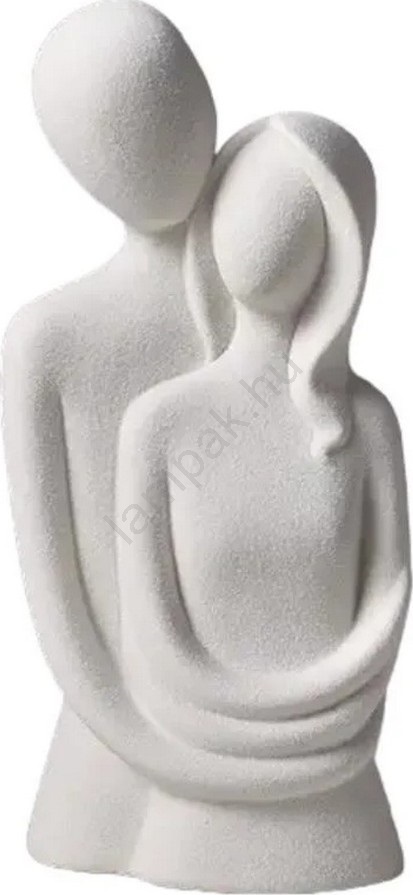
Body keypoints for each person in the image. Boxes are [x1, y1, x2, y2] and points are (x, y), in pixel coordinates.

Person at [115, 114, 410, 889]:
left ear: (341, 246)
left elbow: (388, 593)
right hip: (189, 806)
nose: (260, 228)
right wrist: (238, 726)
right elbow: (149, 627)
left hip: (340, 804)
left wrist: (324, 709)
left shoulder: (367, 423)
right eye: (243, 196)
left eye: (290, 205)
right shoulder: (159, 422)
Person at [2, 0, 217, 873]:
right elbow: (52, 588)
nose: (159, 137)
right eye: (122, 121)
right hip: (111, 744)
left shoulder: (270, 286)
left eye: (171, 97)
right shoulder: (49, 340)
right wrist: (138, 734)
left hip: (258, 710)